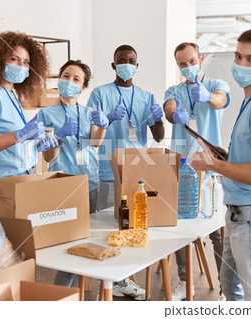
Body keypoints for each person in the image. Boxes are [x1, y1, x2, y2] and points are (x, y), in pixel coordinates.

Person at [191, 28, 251, 301]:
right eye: (238, 56)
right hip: (237, 213)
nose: (241, 65)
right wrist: (226, 156)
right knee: (231, 287)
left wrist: (214, 166)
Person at [86, 44, 164, 300]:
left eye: (131, 60)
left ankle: (121, 280)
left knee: (133, 227)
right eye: (122, 60)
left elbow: (159, 136)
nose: (126, 63)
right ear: (113, 65)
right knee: (110, 229)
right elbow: (90, 134)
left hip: (137, 173)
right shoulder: (99, 94)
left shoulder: (146, 97)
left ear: (137, 65)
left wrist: (158, 119)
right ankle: (112, 281)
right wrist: (106, 118)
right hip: (108, 171)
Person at [163, 42, 230, 301]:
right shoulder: (175, 90)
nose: (188, 67)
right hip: (182, 167)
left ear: (200, 58)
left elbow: (220, 101)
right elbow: (169, 108)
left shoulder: (216, 85)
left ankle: (226, 288)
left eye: (191, 61)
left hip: (210, 168)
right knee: (182, 228)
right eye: (182, 64)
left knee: (216, 230)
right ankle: (184, 282)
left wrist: (208, 97)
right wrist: (173, 113)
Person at [38, 59, 107, 288]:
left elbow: (95, 143)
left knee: (86, 244)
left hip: (90, 184)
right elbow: (48, 157)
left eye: (76, 79)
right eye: (66, 76)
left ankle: (78, 297)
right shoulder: (47, 114)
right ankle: (60, 297)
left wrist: (104, 125)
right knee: (67, 250)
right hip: (62, 187)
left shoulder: (89, 112)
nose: (69, 81)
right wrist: (58, 135)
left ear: (83, 87)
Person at [0, 31, 58, 198]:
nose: (21, 66)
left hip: (22, 180)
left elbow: (7, 147)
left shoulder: (11, 95)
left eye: (26, 62)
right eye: (14, 59)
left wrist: (34, 146)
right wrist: (19, 135)